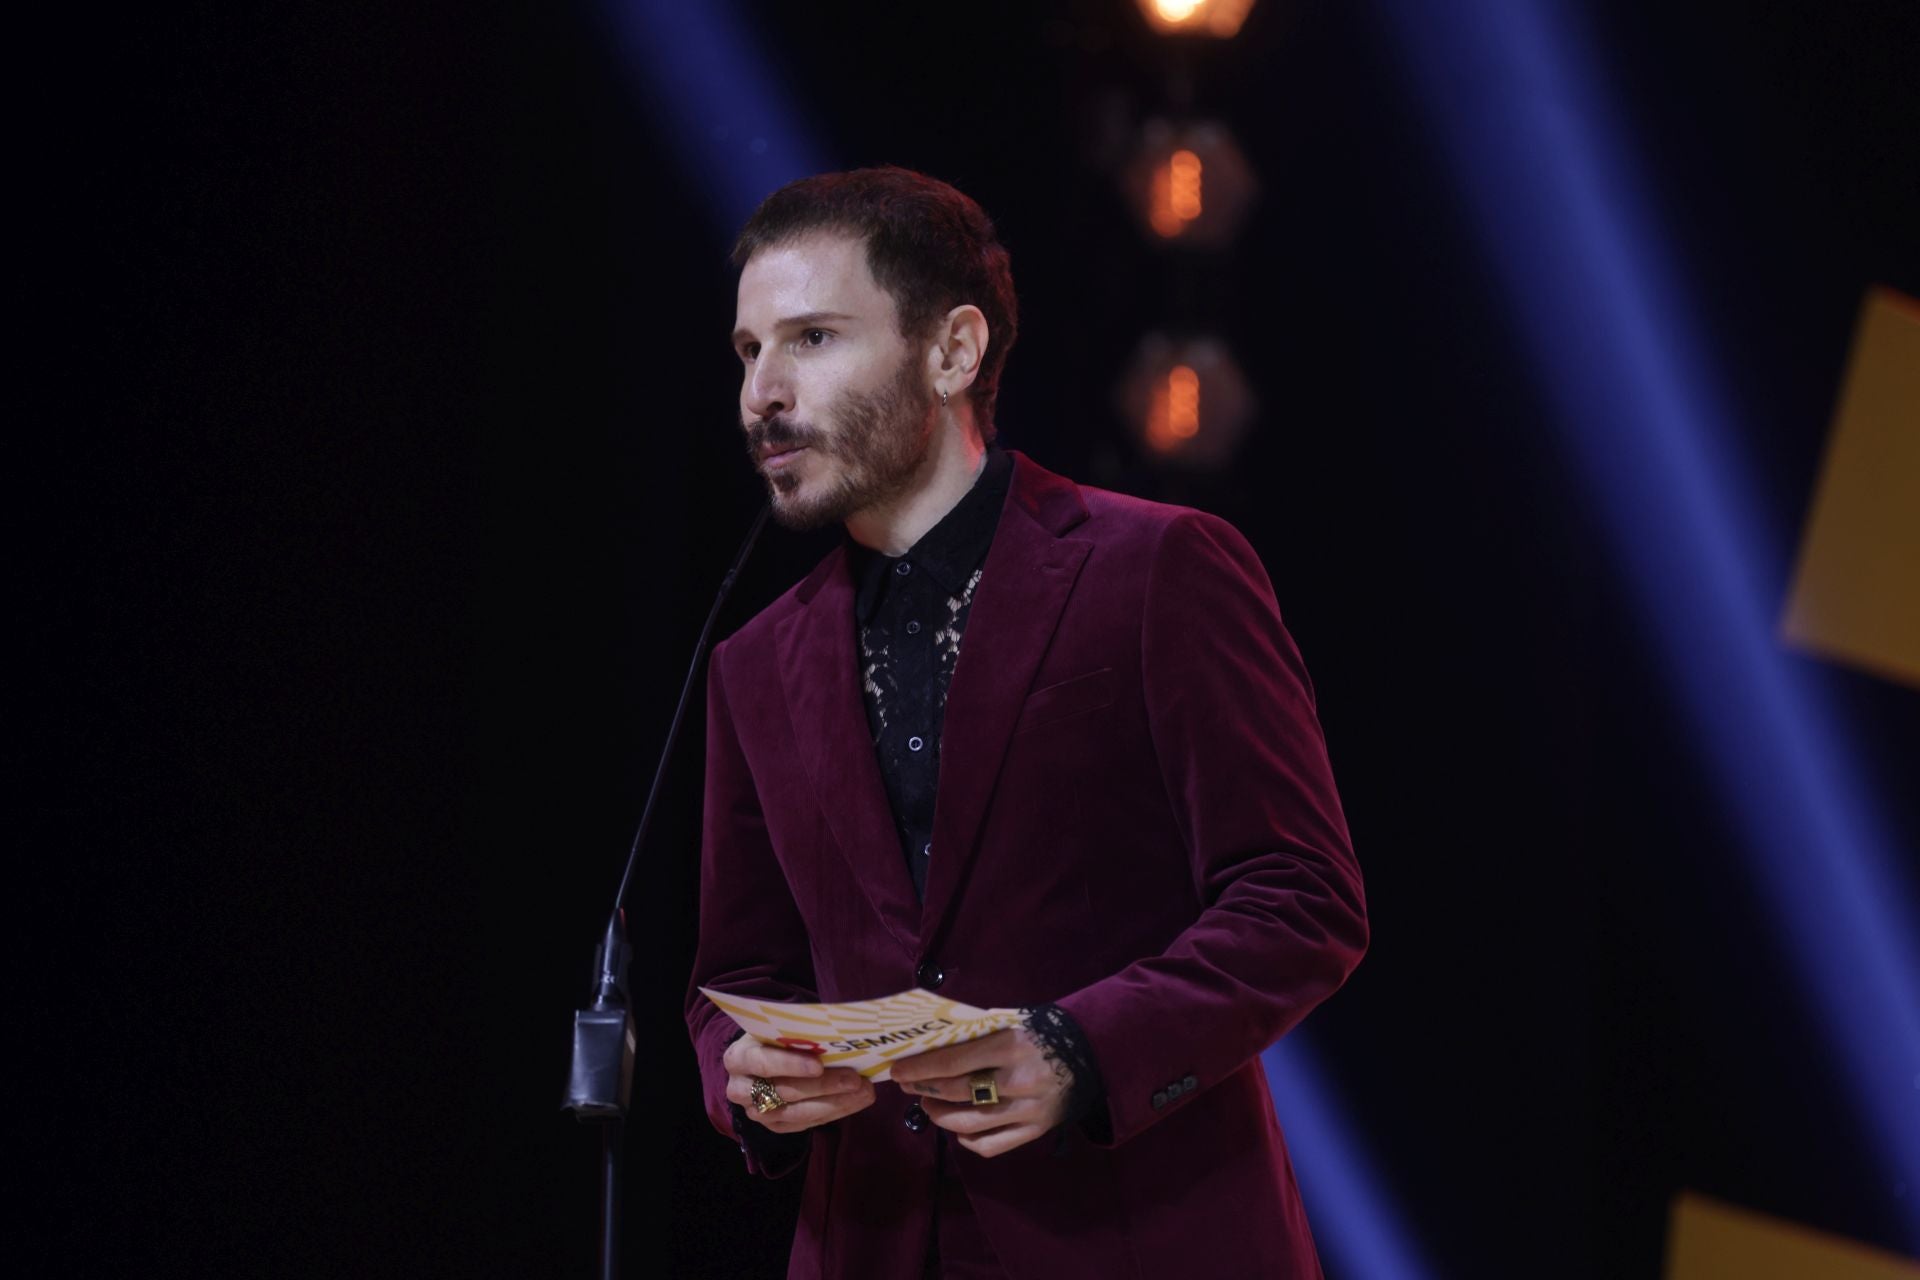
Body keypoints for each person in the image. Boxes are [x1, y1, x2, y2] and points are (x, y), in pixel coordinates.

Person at [684, 165, 1367, 1280]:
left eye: (811, 338)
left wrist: (1079, 1049)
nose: (763, 392)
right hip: (872, 1242)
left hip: (1135, 1238)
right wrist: (748, 1079)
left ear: (954, 350)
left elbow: (1301, 897)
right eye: (748, 351)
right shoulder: (751, 662)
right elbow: (737, 977)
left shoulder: (1156, 569)